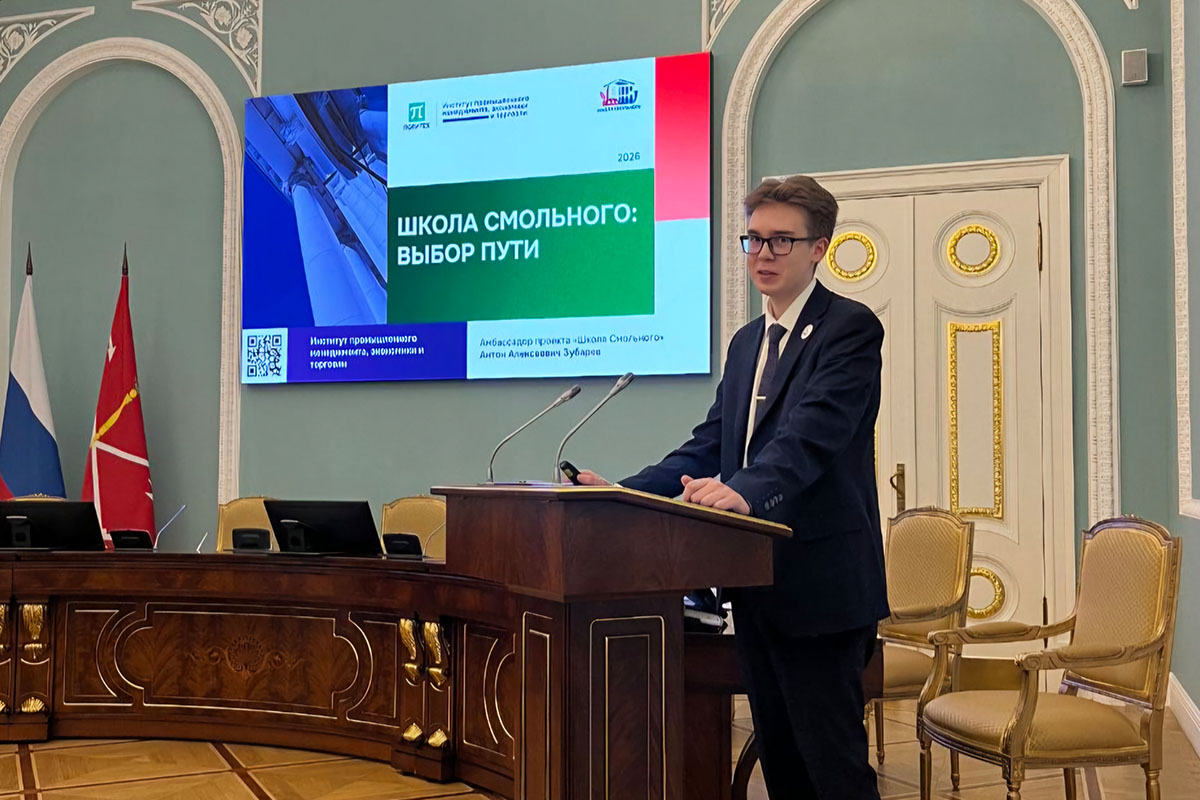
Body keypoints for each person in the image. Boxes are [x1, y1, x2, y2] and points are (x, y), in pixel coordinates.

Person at [578, 175, 887, 799]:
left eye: (781, 241)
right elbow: (710, 442)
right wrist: (623, 494)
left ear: (819, 248)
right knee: (782, 763)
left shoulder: (849, 329)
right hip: (753, 584)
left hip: (821, 584)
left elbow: (811, 436)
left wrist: (744, 490)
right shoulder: (748, 342)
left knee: (834, 768)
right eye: (754, 239)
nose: (763, 254)